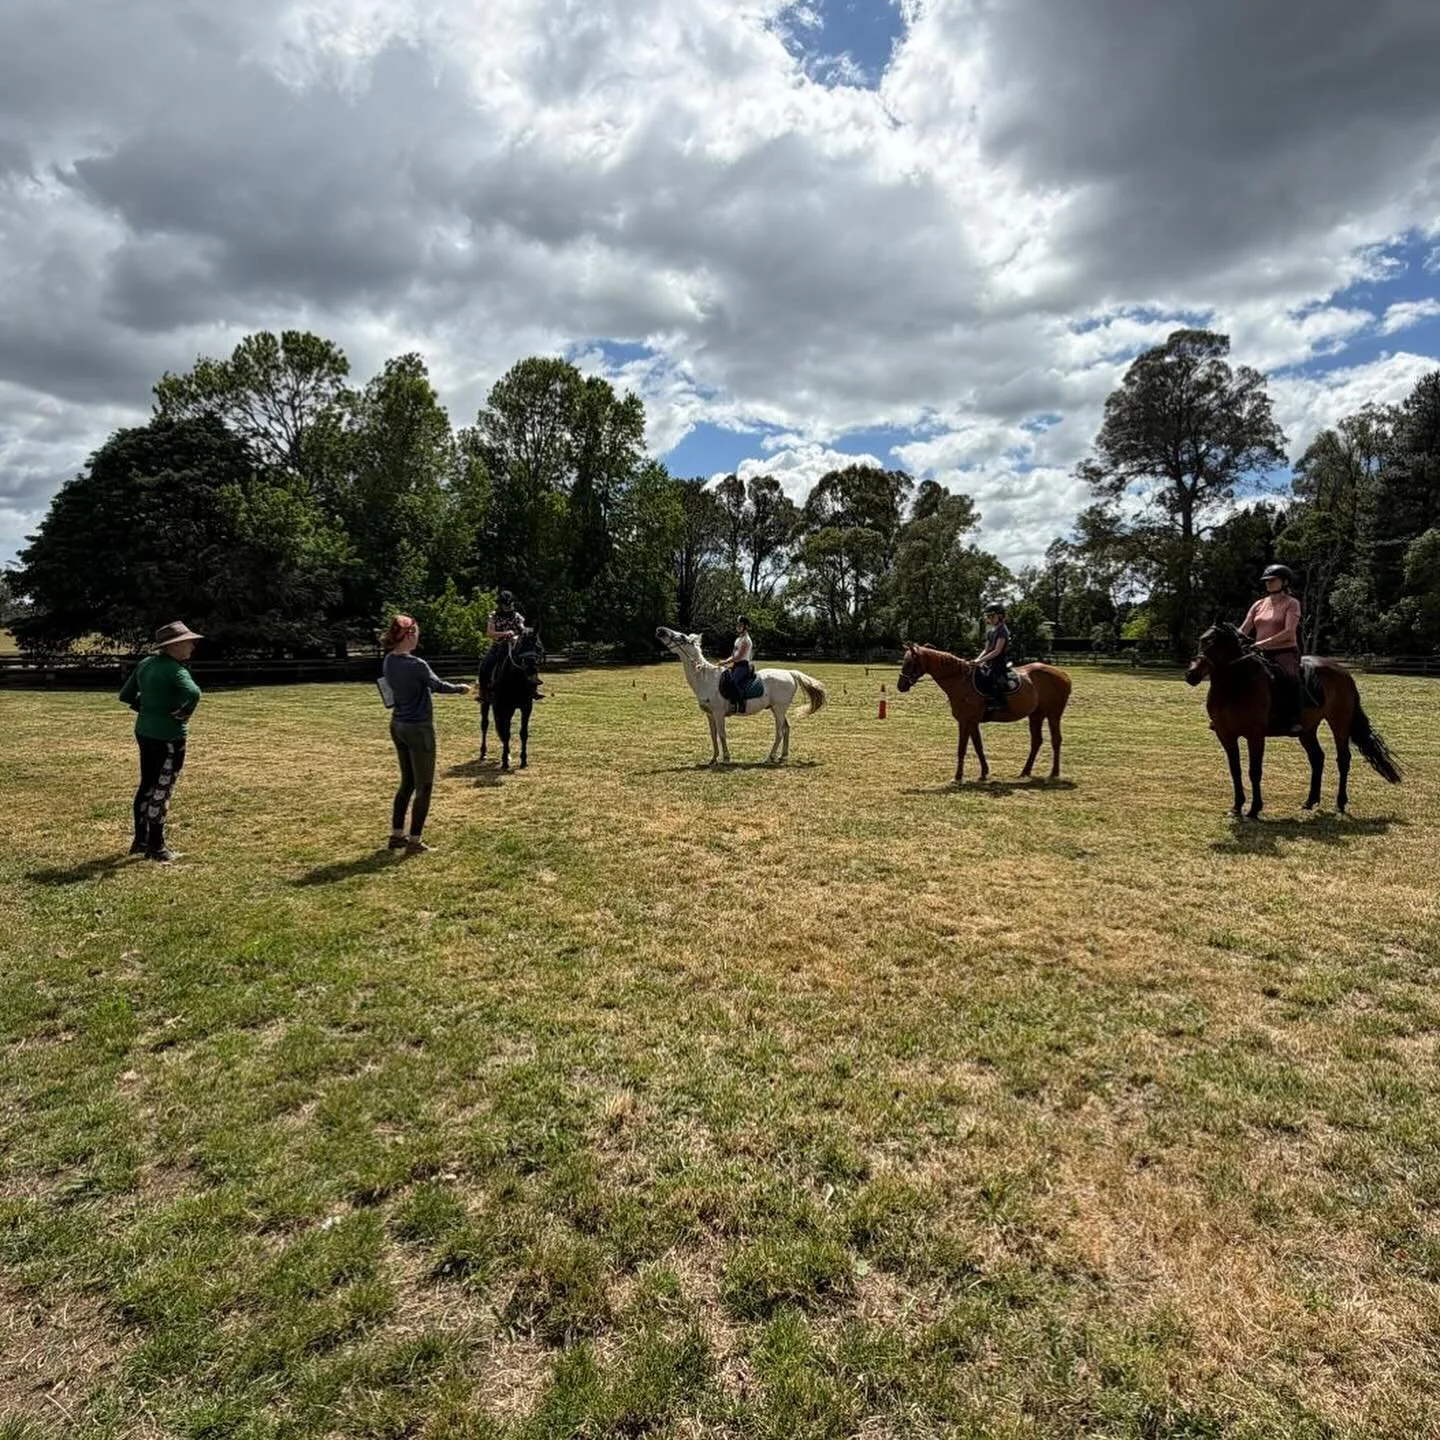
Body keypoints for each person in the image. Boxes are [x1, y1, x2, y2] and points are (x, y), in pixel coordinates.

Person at [381, 614, 472, 855]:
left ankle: (396, 835)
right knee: (425, 786)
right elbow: (438, 685)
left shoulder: (389, 660)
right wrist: (461, 688)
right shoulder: (417, 665)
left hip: (398, 726)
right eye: (417, 631)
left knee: (407, 782)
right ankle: (415, 840)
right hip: (419, 729)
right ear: (410, 635)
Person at [117, 620, 204, 863]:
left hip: (144, 732)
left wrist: (147, 709)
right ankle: (157, 846)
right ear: (173, 646)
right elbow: (194, 693)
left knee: (147, 784)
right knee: (162, 788)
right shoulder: (176, 670)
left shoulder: (145, 664)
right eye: (188, 642)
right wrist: (185, 711)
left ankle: (140, 840)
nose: (192, 646)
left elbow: (125, 695)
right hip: (169, 737)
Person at [1241, 563, 1303, 735]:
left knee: (1290, 676)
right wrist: (1234, 639)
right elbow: (1245, 628)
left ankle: (1294, 719)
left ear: (1284, 582)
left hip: (1284, 651)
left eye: (1272, 580)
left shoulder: (1292, 603)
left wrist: (1262, 643)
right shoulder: (1259, 604)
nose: (1268, 583)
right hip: (1259, 652)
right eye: (1266, 580)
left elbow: (1289, 632)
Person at [479, 589, 544, 701]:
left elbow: (522, 628)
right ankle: (483, 692)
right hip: (499, 646)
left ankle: (533, 688)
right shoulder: (493, 616)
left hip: (515, 646)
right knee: (485, 664)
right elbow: (489, 633)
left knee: (529, 659)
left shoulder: (517, 616)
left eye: (510, 604)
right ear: (501, 604)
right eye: (506, 604)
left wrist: (525, 632)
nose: (509, 607)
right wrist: (505, 633)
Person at [974, 601, 1011, 705]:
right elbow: (986, 649)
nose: (990, 618)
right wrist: (977, 660)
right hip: (989, 662)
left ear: (1000, 616)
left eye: (992, 616)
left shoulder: (1003, 631)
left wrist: (981, 660)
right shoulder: (991, 631)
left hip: (999, 663)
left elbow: (997, 651)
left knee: (991, 678)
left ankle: (1000, 703)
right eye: (988, 616)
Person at [721, 615, 755, 714]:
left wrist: (725, 662)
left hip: (743, 666)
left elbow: (739, 657)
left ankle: (742, 703)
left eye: (740, 625)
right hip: (736, 665)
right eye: (738, 624)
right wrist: (726, 662)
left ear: (745, 626)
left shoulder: (746, 640)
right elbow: (733, 655)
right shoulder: (738, 639)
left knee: (734, 681)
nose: (738, 626)